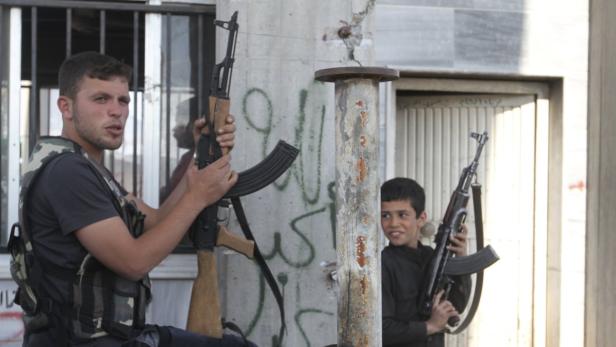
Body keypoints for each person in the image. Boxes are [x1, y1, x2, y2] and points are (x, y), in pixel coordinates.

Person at [18, 51, 255, 346]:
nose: (116, 111)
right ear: (65, 107)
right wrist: (198, 197)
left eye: (123, 100)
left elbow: (156, 222)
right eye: (101, 99)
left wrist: (200, 153)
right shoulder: (68, 172)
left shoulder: (88, 169)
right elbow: (133, 262)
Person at [380, 177, 471, 347]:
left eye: (402, 215)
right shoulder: (382, 265)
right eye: (385, 215)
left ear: (421, 218)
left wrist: (460, 258)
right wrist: (429, 326)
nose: (393, 223)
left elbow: (456, 305)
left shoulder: (432, 257)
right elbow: (380, 329)